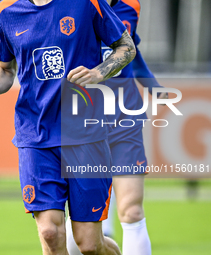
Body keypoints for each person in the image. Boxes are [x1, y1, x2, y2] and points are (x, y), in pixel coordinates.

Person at [0, 0, 136, 254]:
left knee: (89, 244)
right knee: (50, 233)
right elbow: (5, 67)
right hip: (35, 135)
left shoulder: (86, 3)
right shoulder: (6, 10)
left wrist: (98, 73)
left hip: (86, 135)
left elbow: (126, 47)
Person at [66, 0, 167, 255]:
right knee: (82, 226)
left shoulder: (131, 5)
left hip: (125, 117)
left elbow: (131, 48)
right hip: (83, 121)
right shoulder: (69, 6)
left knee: (132, 210)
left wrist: (152, 85)